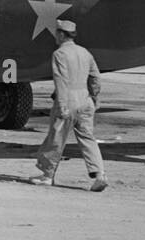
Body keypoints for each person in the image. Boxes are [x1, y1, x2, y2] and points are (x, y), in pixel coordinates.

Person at [31, 19, 107, 191]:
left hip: (68, 100)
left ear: (61, 34)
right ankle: (100, 175)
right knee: (88, 138)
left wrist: (63, 105)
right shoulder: (85, 53)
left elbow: (61, 81)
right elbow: (95, 77)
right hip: (85, 100)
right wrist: (94, 97)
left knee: (56, 139)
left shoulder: (59, 54)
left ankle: (47, 176)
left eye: (57, 33)